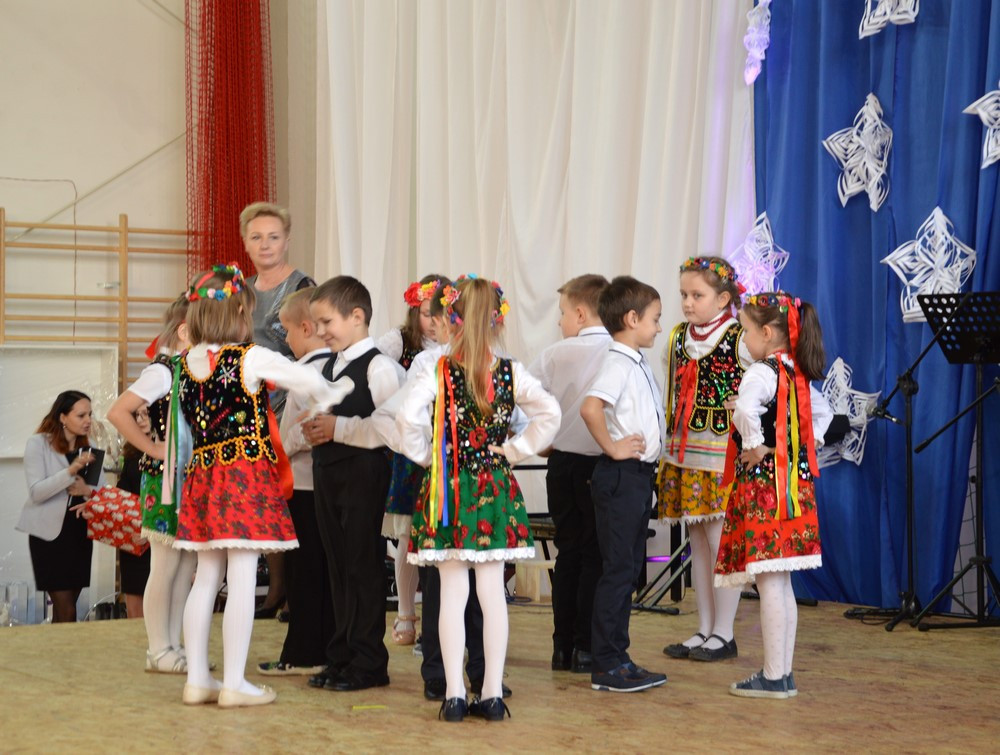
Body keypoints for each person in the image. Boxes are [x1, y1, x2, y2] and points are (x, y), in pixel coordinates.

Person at [148, 263, 352, 708]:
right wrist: (334, 392)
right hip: (243, 477)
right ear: (241, 313)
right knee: (241, 576)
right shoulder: (249, 357)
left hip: (202, 478)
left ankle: (198, 679)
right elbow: (304, 377)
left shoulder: (184, 364)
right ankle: (235, 683)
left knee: (207, 576)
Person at [397, 276, 560, 722]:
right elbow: (550, 413)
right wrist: (514, 451)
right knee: (491, 593)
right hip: (493, 488)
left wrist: (430, 457)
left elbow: (406, 420)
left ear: (450, 319)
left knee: (452, 592)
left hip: (448, 489)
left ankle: (453, 695)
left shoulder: (436, 369)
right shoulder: (510, 371)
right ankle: (490, 694)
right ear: (497, 320)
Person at [716, 291, 832, 699]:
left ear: (767, 333)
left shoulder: (761, 372)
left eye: (746, 332)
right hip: (793, 486)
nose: (744, 340)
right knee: (780, 583)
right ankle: (781, 673)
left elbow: (745, 410)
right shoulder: (796, 373)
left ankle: (774, 675)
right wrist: (795, 448)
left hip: (765, 487)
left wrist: (755, 445)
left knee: (769, 582)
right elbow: (824, 416)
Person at [303, 275, 404, 693]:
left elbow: (392, 428)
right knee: (338, 565)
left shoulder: (380, 367)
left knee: (362, 565)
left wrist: (338, 428)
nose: (320, 331)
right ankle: (341, 656)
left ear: (357, 316)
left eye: (327, 322)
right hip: (328, 472)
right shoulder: (326, 366)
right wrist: (314, 430)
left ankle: (368, 662)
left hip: (364, 474)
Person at [658, 257, 752, 663]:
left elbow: (764, 387)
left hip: (720, 455)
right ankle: (704, 627)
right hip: (685, 452)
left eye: (697, 295)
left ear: (724, 298)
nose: (688, 302)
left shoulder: (739, 338)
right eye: (684, 294)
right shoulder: (678, 337)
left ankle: (725, 632)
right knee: (697, 543)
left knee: (720, 542)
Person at [579, 275, 668, 693]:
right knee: (617, 571)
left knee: (628, 569)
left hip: (637, 477)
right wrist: (613, 447)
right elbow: (591, 407)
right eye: (655, 319)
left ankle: (619, 656)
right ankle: (606, 664)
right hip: (621, 477)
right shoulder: (617, 362)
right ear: (632, 319)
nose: (659, 327)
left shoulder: (634, 360)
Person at [108, 295, 196, 673]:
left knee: (185, 567)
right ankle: (158, 648)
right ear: (186, 330)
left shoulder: (187, 369)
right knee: (165, 565)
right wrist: (154, 448)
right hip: (164, 480)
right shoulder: (162, 371)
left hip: (188, 478)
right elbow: (118, 411)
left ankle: (173, 644)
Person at [528, 274, 611, 674]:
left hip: (560, 464)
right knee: (595, 555)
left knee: (568, 553)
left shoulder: (554, 354)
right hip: (599, 462)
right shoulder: (618, 352)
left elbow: (522, 398)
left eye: (561, 313)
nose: (559, 322)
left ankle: (561, 648)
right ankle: (585, 646)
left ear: (580, 314)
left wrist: (540, 440)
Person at [240, 201, 316, 619]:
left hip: (290, 403)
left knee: (292, 499)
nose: (265, 244)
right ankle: (276, 586)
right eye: (257, 237)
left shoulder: (302, 286)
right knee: (264, 500)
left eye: (273, 236)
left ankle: (293, 590)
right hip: (250, 407)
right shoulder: (242, 289)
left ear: (286, 240)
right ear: (246, 243)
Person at [256, 289, 334, 676]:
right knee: (323, 573)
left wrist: (279, 449)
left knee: (303, 573)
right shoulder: (335, 367)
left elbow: (299, 433)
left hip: (303, 486)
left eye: (287, 331)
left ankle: (303, 653)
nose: (285, 340)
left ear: (306, 328)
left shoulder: (305, 374)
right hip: (324, 486)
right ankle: (322, 648)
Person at [379, 274, 443, 647]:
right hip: (410, 449)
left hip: (444, 451)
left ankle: (438, 623)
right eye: (425, 313)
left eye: (439, 313)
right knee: (407, 532)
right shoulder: (399, 342)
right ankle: (406, 614)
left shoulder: (460, 350)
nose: (432, 321)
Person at [17, 390, 104, 623]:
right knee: (67, 611)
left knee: (66, 610)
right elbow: (36, 492)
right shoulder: (38, 444)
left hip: (79, 533)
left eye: (90, 415)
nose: (88, 420)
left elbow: (101, 492)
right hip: (49, 536)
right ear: (63, 417)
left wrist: (88, 492)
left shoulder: (91, 447)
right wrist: (71, 471)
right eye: (81, 415)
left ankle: (57, 646)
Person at [116, 406, 152, 621]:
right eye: (136, 415)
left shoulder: (169, 449)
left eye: (146, 414)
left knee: (156, 609)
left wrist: (150, 530)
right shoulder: (131, 453)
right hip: (133, 538)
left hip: (158, 537)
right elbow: (122, 492)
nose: (140, 420)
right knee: (134, 611)